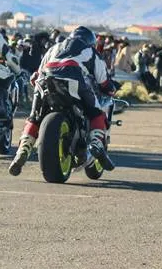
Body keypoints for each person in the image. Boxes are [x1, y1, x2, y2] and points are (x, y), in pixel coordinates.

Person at [9, 26, 117, 177]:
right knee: (96, 113)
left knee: (35, 117)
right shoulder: (90, 51)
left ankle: (22, 150)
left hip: (45, 80)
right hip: (73, 80)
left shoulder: (54, 48)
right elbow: (104, 82)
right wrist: (111, 89)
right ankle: (97, 146)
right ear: (90, 41)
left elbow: (36, 75)